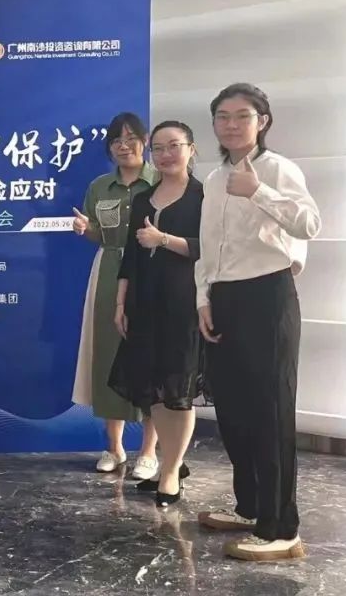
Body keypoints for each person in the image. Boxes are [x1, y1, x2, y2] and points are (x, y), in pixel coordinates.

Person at [195, 83, 319, 561]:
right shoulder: (213, 178)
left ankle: (281, 528)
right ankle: (249, 507)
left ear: (262, 121)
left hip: (267, 295)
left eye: (241, 115)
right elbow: (208, 246)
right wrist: (204, 300)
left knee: (270, 411)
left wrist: (259, 192)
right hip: (224, 297)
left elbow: (309, 224)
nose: (231, 124)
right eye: (222, 116)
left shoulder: (278, 169)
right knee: (232, 410)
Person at [108, 121, 204, 507]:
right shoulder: (144, 199)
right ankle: (171, 464)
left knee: (179, 390)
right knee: (156, 389)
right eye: (158, 148)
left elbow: (210, 247)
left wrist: (163, 239)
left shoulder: (203, 196)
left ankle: (170, 472)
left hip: (185, 303)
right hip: (144, 304)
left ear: (191, 149)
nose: (165, 155)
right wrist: (120, 304)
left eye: (174, 146)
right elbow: (131, 257)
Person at [70, 112, 160, 478]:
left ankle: (149, 451)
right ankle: (114, 447)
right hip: (108, 270)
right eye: (117, 141)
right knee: (108, 354)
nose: (124, 146)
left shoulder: (160, 181)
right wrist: (86, 228)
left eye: (131, 138)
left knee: (152, 359)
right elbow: (98, 232)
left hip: (152, 271)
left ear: (145, 140)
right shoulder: (100, 186)